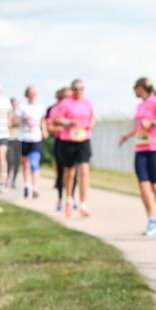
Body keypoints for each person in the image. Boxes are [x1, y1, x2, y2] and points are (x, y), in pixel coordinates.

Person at [119, 77, 156, 235]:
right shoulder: (140, 106)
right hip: (141, 148)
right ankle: (152, 220)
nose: (134, 92)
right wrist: (127, 136)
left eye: (135, 88)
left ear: (141, 88)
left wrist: (153, 123)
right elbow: (140, 127)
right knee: (143, 184)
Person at [53, 79, 94, 217]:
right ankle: (69, 200)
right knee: (70, 173)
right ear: (72, 89)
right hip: (68, 140)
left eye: (81, 89)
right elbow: (56, 119)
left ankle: (84, 204)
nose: (78, 91)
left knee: (84, 172)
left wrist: (90, 124)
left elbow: (93, 117)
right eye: (76, 88)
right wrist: (68, 122)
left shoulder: (88, 102)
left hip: (83, 139)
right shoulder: (65, 103)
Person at [46, 87, 76, 211]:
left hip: (74, 142)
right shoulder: (54, 110)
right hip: (60, 142)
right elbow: (49, 127)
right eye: (65, 97)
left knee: (73, 172)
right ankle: (60, 198)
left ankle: (71, 198)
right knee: (61, 172)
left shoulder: (74, 108)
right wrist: (59, 128)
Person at [18, 86, 46, 199]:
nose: (33, 94)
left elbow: (43, 120)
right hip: (24, 138)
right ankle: (27, 185)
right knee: (25, 164)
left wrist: (44, 130)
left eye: (35, 92)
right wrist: (23, 120)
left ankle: (35, 188)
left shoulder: (40, 107)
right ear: (27, 94)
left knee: (35, 163)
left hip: (35, 138)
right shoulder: (22, 107)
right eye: (31, 93)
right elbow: (14, 120)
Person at [7, 97, 22, 188]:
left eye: (16, 104)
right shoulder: (8, 114)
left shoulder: (21, 114)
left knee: (17, 162)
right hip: (10, 139)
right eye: (13, 104)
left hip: (19, 139)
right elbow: (9, 124)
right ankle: (7, 179)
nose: (15, 106)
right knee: (10, 160)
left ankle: (13, 181)